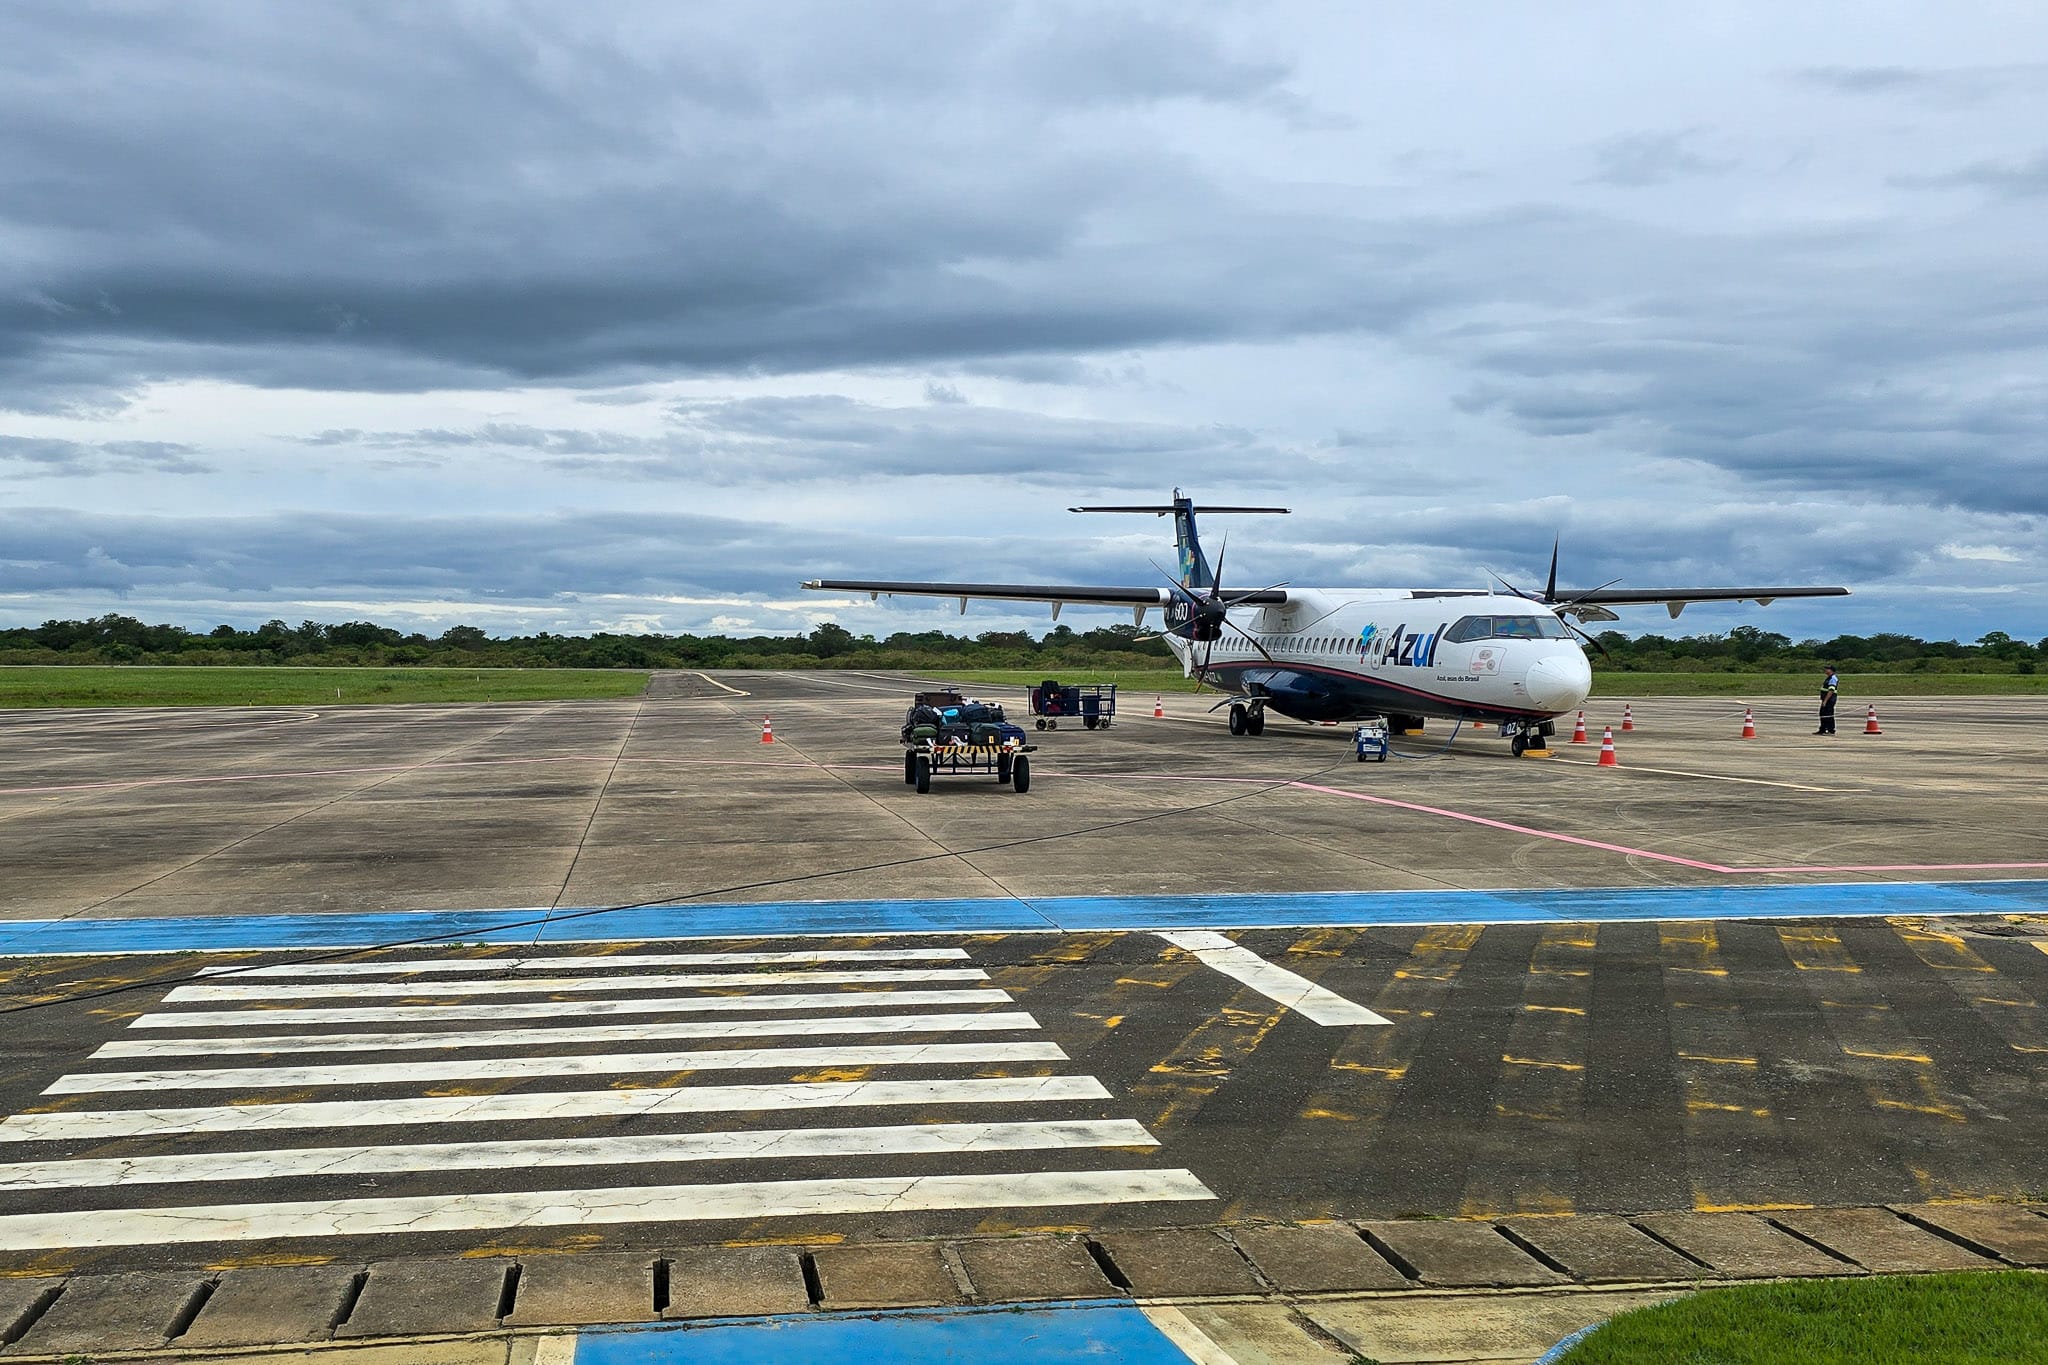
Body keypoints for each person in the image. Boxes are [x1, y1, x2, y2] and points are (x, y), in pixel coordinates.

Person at [1816, 666, 1839, 735]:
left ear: (1831, 670)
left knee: (1829, 714)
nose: (1825, 670)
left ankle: (1831, 730)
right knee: (1822, 714)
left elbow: (1831, 690)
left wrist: (1825, 701)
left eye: (1827, 669)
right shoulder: (1828, 678)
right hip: (1825, 699)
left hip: (1830, 699)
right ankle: (1823, 729)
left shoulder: (1833, 678)